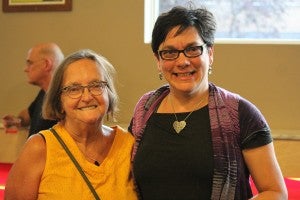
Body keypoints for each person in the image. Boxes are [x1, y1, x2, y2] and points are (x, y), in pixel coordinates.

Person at [129, 5, 288, 200]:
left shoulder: (240, 113)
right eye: (170, 52)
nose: (182, 61)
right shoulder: (144, 109)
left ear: (210, 53)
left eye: (192, 49)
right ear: (158, 60)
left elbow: (275, 192)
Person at [4, 49, 138, 200]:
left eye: (96, 85)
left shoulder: (128, 145)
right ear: (59, 101)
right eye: (74, 89)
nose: (87, 97)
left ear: (109, 93)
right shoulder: (40, 148)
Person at [2, 42, 64, 137]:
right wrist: (18, 120)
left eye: (29, 63)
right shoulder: (44, 92)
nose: (25, 69)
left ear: (46, 64)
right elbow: (29, 114)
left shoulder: (63, 99)